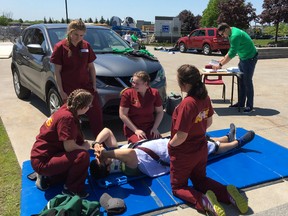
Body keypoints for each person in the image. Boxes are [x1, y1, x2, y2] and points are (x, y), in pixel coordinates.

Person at [168, 64, 249, 216]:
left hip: (184, 152)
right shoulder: (204, 98)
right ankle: (227, 194)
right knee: (200, 180)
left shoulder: (187, 104)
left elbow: (181, 136)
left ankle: (203, 201)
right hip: (201, 148)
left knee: (178, 187)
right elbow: (209, 123)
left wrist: (171, 145)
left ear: (184, 84)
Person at [90, 123, 255, 180]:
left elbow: (107, 131)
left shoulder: (113, 152)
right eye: (101, 159)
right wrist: (105, 153)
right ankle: (236, 143)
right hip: (170, 154)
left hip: (164, 143)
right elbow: (131, 155)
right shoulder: (127, 169)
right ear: (106, 167)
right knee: (207, 147)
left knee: (199, 139)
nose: (102, 155)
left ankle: (226, 137)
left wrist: (98, 144)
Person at [30, 89, 95, 198]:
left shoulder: (66, 109)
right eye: (89, 105)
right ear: (83, 107)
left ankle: (46, 178)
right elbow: (69, 147)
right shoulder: (67, 118)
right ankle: (72, 189)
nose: (89, 108)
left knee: (73, 170)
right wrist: (84, 147)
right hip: (43, 161)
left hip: (41, 156)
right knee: (82, 156)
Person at [50, 19, 103, 138]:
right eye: (76, 34)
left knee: (96, 114)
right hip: (70, 89)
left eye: (81, 35)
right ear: (69, 32)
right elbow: (57, 72)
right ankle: (74, 142)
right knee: (72, 118)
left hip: (86, 87)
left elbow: (91, 68)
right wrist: (61, 91)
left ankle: (100, 143)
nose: (78, 38)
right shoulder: (60, 47)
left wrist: (94, 85)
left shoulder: (86, 46)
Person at [213, 23, 258, 114]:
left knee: (247, 82)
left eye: (222, 34)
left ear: (226, 29)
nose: (223, 36)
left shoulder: (235, 35)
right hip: (243, 58)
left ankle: (249, 106)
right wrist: (223, 59)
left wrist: (220, 65)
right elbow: (231, 49)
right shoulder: (231, 31)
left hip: (250, 58)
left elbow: (232, 53)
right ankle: (241, 103)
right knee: (241, 81)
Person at [119, 71, 164, 144]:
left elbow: (160, 112)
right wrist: (136, 130)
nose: (133, 85)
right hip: (133, 128)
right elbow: (122, 115)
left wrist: (155, 128)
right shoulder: (128, 93)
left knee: (160, 144)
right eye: (132, 82)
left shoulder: (154, 93)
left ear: (145, 84)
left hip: (149, 127)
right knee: (142, 145)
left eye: (137, 83)